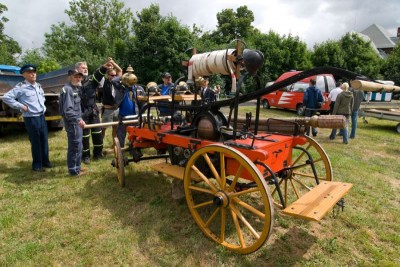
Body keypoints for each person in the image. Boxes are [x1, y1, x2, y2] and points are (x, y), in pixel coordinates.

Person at [2, 64, 53, 172]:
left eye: (34, 72)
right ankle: (37, 164)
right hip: (31, 118)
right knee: (35, 141)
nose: (33, 74)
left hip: (41, 116)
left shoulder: (38, 85)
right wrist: (21, 106)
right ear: (23, 75)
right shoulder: (21, 87)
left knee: (44, 139)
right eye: (29, 72)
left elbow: (42, 97)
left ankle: (46, 161)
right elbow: (6, 97)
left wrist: (42, 106)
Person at [76, 60, 110, 164]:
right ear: (77, 70)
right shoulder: (74, 82)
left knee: (97, 134)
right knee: (84, 136)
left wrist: (104, 67)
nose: (85, 69)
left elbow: (98, 75)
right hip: (82, 113)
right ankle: (85, 156)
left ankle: (98, 154)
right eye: (83, 67)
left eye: (86, 67)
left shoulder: (92, 80)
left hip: (93, 112)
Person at [59, 70, 87, 176]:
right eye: (76, 77)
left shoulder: (75, 88)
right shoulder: (68, 90)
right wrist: (78, 120)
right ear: (69, 77)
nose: (79, 79)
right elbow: (68, 110)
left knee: (78, 145)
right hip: (73, 123)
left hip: (76, 122)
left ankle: (77, 167)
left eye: (80, 77)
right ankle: (74, 171)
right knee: (75, 146)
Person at [113, 70, 145, 148]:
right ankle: (120, 149)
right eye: (129, 79)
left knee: (135, 134)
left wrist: (140, 113)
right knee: (120, 134)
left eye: (131, 78)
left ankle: (133, 148)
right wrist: (124, 76)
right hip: (122, 115)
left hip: (134, 116)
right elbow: (113, 81)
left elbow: (143, 103)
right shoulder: (121, 88)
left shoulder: (138, 88)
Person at [98, 60, 123, 142]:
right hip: (108, 109)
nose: (114, 76)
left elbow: (120, 70)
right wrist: (107, 64)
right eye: (112, 75)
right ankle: (99, 144)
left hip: (116, 109)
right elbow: (99, 72)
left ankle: (115, 145)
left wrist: (113, 62)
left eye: (115, 75)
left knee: (115, 128)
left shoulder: (117, 82)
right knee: (103, 128)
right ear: (108, 75)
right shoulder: (104, 82)